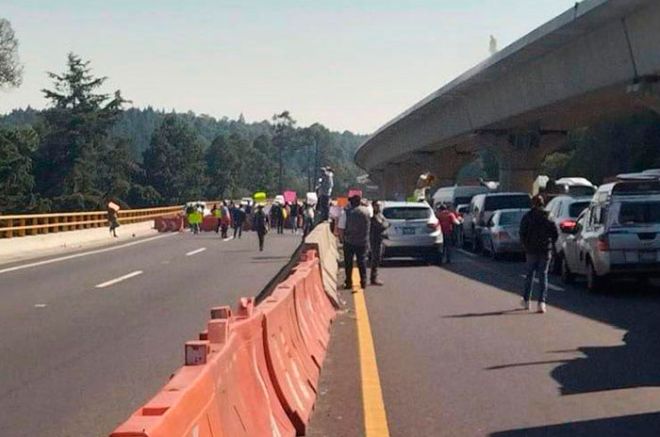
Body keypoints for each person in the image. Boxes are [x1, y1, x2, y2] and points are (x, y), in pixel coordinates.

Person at [519, 195, 559, 313]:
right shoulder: (548, 216)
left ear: (533, 204)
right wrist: (550, 243)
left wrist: (525, 245)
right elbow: (555, 233)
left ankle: (526, 300)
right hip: (545, 249)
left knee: (529, 275)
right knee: (543, 275)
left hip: (531, 250)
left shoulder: (527, 217)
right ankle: (541, 303)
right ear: (543, 204)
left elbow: (522, 232)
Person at [338, 194, 371, 290]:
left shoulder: (347, 213)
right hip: (363, 241)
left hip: (349, 241)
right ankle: (363, 282)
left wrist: (341, 239)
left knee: (348, 263)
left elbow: (341, 228)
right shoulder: (367, 211)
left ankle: (349, 282)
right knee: (362, 262)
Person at [369, 201, 389, 286]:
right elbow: (382, 225)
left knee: (378, 258)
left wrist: (384, 224)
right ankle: (373, 278)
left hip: (380, 238)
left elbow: (386, 223)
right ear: (373, 206)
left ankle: (374, 277)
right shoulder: (372, 216)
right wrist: (384, 224)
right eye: (377, 205)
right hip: (374, 239)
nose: (379, 207)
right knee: (375, 258)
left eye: (379, 205)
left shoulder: (380, 215)